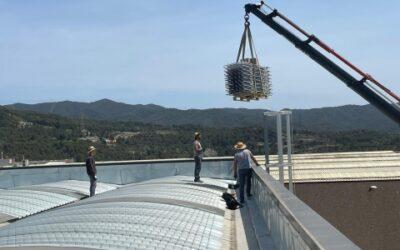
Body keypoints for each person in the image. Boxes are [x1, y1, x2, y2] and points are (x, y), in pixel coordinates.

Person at [233, 141, 260, 205]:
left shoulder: (236, 155)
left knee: (241, 185)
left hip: (241, 170)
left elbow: (235, 164)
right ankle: (248, 194)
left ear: (237, 148)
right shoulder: (248, 151)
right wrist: (257, 164)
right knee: (248, 182)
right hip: (248, 169)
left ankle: (242, 200)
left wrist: (235, 173)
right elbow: (253, 158)